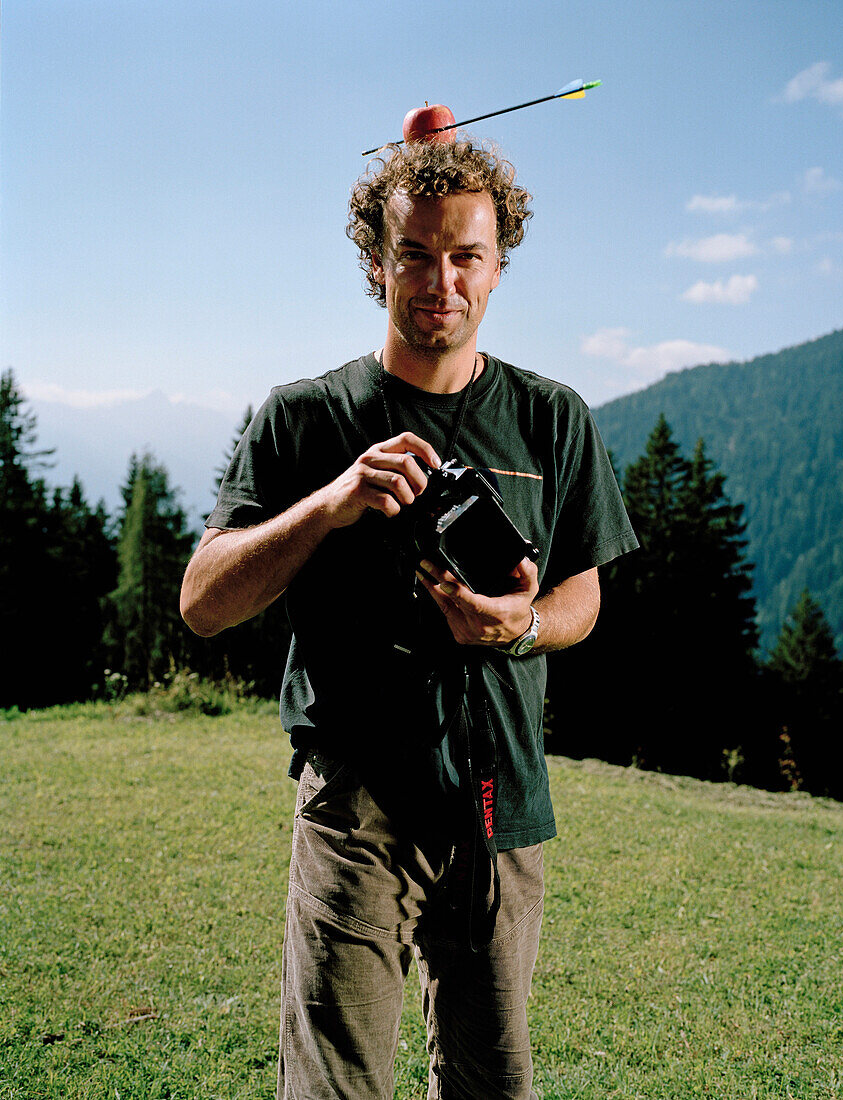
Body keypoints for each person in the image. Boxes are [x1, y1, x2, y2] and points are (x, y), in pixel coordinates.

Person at [180, 135, 637, 1100]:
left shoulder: (552, 417)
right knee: (335, 1087)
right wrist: (328, 503)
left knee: (490, 1083)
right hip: (354, 798)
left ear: (499, 265)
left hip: (499, 800)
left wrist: (516, 625)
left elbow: (582, 598)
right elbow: (203, 601)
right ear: (376, 262)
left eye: (465, 255)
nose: (441, 280)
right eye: (415, 253)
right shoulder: (305, 417)